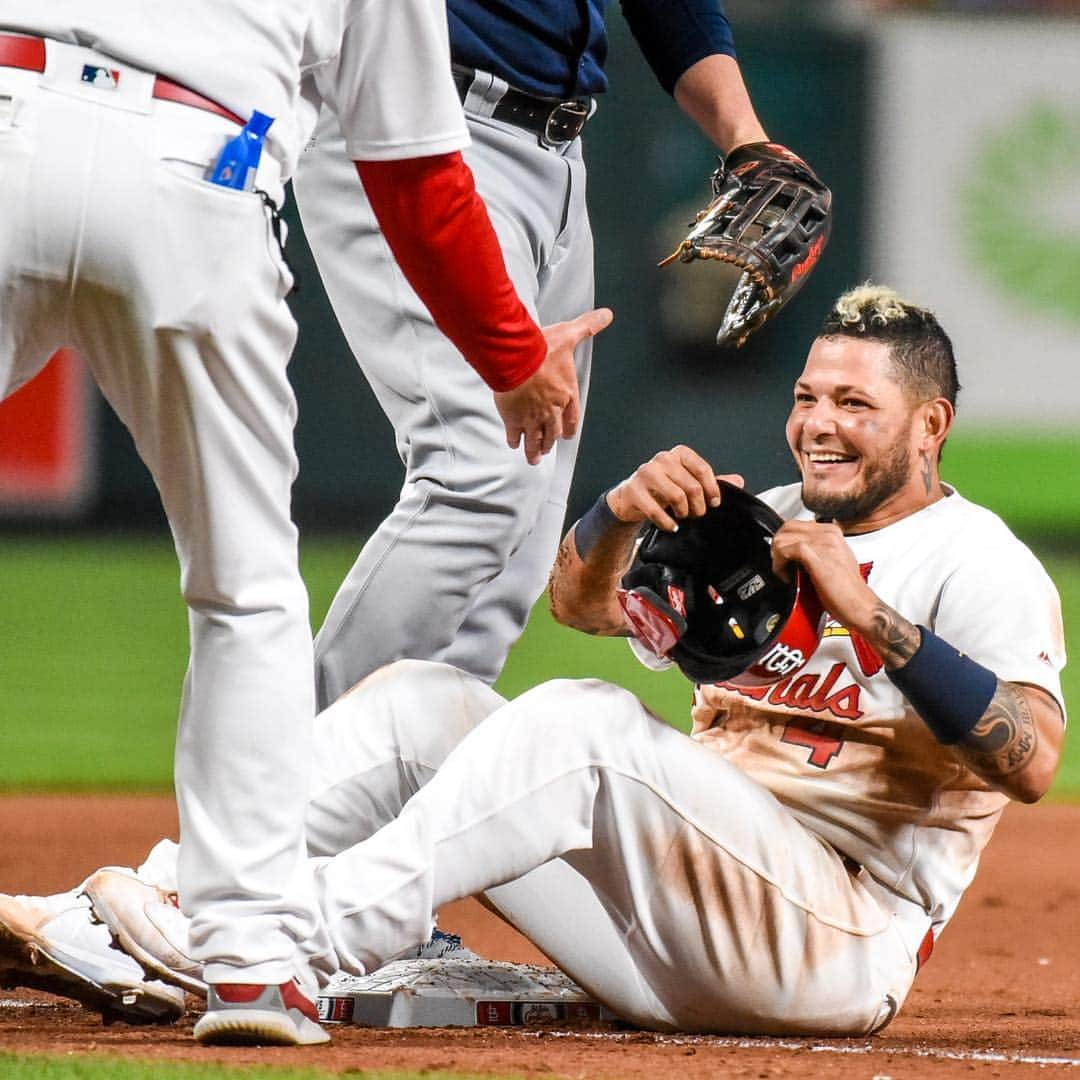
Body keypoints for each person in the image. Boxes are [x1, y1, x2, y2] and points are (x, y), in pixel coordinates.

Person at [3, 285, 1064, 1036]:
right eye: (807, 397)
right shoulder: (767, 521)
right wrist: (613, 518)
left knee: (583, 724)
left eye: (854, 406)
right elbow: (588, 610)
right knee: (426, 702)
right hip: (672, 903)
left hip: (827, 938)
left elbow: (1031, 760)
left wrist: (871, 615)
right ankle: (141, 910)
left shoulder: (979, 564)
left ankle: (280, 947)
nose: (816, 425)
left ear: (930, 427)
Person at [0, 3, 607, 1047]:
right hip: (194, 170)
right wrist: (512, 356)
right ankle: (246, 961)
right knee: (245, 594)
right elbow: (417, 180)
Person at [298, 0, 782, 706]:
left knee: (519, 534)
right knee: (481, 480)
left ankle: (403, 797)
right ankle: (293, 795)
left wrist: (745, 140)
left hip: (557, 151)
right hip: (422, 122)